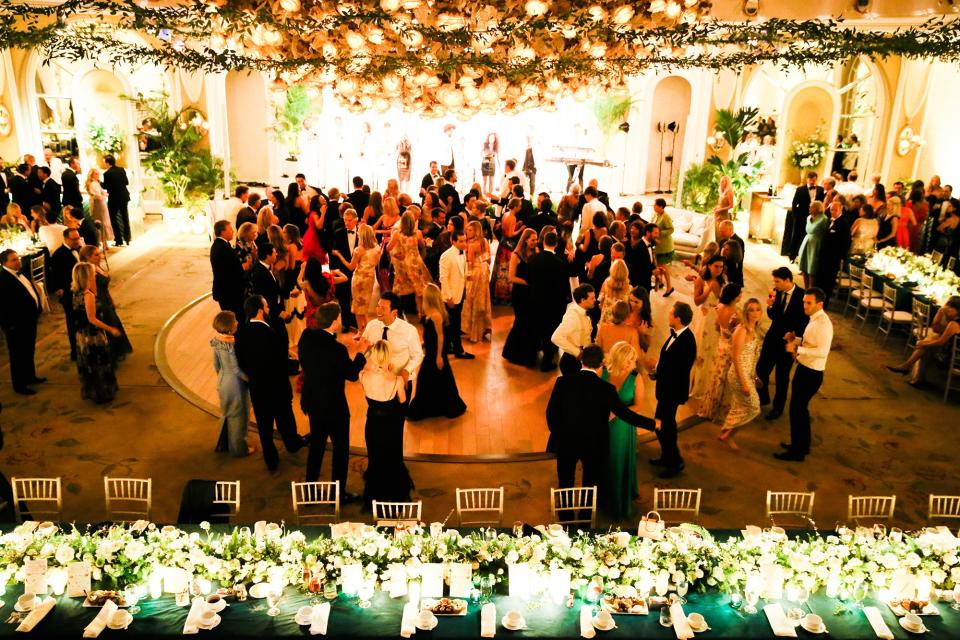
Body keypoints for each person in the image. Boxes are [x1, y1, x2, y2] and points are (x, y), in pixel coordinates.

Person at [546, 344, 656, 490]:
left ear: (581, 361)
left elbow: (551, 413)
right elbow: (625, 414)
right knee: (589, 485)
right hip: (593, 444)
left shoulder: (562, 382)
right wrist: (653, 424)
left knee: (565, 482)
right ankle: (586, 513)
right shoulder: (607, 389)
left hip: (566, 442)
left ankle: (565, 513)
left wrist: (560, 434)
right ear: (600, 364)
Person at [299, 302, 368, 494]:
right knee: (340, 450)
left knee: (317, 447)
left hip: (313, 401)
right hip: (334, 406)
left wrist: (346, 348)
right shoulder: (336, 350)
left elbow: (324, 359)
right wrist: (360, 352)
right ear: (335, 321)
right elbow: (352, 374)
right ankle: (338, 494)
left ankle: (309, 489)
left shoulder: (306, 337)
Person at [235, 295, 307, 471]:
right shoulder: (270, 332)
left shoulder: (241, 334)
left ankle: (271, 459)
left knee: (264, 425)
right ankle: (292, 443)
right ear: (260, 311)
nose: (268, 309)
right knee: (285, 419)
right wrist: (297, 365)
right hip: (277, 387)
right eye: (266, 306)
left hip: (258, 388)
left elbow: (241, 362)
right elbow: (279, 362)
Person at [774, 288, 834, 462]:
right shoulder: (815, 319)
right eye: (804, 302)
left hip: (811, 373)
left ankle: (797, 452)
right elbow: (812, 344)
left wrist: (797, 348)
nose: (805, 306)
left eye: (809, 303)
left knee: (797, 410)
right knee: (800, 410)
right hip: (805, 369)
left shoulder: (823, 324)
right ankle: (802, 445)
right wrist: (796, 339)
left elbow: (823, 352)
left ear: (819, 304)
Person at [361, 340, 414, 507]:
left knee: (375, 458)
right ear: (388, 357)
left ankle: (376, 494)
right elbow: (403, 405)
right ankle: (394, 494)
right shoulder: (397, 380)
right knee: (392, 457)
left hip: (373, 424)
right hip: (391, 425)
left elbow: (369, 394)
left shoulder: (362, 376)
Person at [649, 302, 697, 478]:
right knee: (664, 424)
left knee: (664, 425)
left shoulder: (687, 341)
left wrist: (660, 373)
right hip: (666, 389)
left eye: (670, 313)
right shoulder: (676, 334)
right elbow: (668, 361)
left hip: (672, 392)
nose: (668, 316)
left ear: (678, 318)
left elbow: (679, 371)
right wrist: (657, 371)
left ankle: (675, 462)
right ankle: (666, 457)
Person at [408, 284, 467, 420]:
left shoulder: (435, 315)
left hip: (435, 353)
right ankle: (435, 406)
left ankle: (424, 409)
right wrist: (424, 344)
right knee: (437, 379)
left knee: (425, 378)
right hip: (431, 351)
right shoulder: (430, 313)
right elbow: (431, 334)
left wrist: (439, 356)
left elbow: (441, 336)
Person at [756, 267, 807, 420]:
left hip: (787, 343)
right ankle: (763, 398)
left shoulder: (802, 296)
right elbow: (773, 316)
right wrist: (770, 305)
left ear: (787, 280)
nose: (775, 284)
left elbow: (805, 320)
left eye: (777, 281)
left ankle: (778, 408)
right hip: (772, 338)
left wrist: (795, 335)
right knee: (761, 369)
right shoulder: (776, 292)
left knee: (782, 377)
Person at [602, 341, 646, 520]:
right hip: (603, 424)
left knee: (619, 461)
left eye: (633, 361)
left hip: (623, 426)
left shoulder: (636, 377)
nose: (632, 365)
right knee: (603, 459)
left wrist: (618, 414)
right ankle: (603, 497)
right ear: (618, 359)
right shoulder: (603, 373)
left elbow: (638, 406)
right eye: (628, 361)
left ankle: (620, 502)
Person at [70, 262, 120, 403]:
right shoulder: (88, 295)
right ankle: (102, 393)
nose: (95, 275)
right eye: (92, 273)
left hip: (81, 334)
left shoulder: (76, 291)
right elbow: (92, 318)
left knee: (88, 364)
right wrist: (110, 329)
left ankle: (93, 392)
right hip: (92, 335)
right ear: (87, 276)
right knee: (99, 363)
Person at [718, 298, 764, 448]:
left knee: (739, 405)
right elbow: (736, 358)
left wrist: (755, 376)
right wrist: (744, 382)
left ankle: (726, 429)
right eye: (751, 309)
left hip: (748, 374)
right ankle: (729, 435)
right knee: (754, 407)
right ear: (746, 312)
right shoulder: (741, 330)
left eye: (758, 309)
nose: (755, 313)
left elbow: (752, 357)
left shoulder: (755, 330)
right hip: (738, 375)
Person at [361, 292, 425, 400]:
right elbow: (365, 351)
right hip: (377, 381)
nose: (378, 310)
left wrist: (406, 370)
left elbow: (418, 355)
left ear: (394, 312)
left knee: (399, 414)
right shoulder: (371, 326)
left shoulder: (409, 330)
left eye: (383, 308)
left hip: (400, 380)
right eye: (378, 306)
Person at [886, 296, 960, 385]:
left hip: (952, 357)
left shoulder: (954, 324)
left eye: (951, 308)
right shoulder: (951, 319)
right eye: (948, 307)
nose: (948, 309)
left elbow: (941, 341)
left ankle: (910, 371)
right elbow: (935, 328)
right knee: (926, 345)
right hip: (953, 351)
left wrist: (925, 344)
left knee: (925, 347)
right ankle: (909, 369)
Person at [0, 249, 45, 395]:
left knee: (28, 349)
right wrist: (10, 325)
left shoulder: (20, 271)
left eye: (18, 258)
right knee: (17, 354)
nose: (18, 261)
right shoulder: (3, 280)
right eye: (14, 260)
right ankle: (19, 385)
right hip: (16, 325)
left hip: (29, 320)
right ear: (4, 263)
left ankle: (30, 376)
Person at [79, 245, 133, 363]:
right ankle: (111, 355)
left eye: (100, 253)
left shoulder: (97, 266)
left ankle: (117, 352)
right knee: (109, 326)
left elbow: (104, 288)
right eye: (96, 255)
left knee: (114, 323)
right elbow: (92, 290)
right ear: (87, 257)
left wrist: (111, 299)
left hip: (106, 300)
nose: (101, 257)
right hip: (100, 303)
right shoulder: (91, 270)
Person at [696, 282, 742, 422]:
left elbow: (717, 326)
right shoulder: (736, 314)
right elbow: (737, 336)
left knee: (716, 377)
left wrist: (724, 333)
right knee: (725, 380)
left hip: (720, 345)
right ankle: (719, 410)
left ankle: (709, 406)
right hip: (729, 349)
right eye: (739, 294)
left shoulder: (719, 307)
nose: (741, 296)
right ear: (735, 297)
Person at [211, 311, 252, 457]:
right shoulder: (232, 345)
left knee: (226, 414)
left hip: (222, 381)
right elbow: (236, 369)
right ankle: (239, 449)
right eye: (234, 321)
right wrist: (250, 380)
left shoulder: (216, 341)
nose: (237, 323)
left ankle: (223, 443)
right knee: (239, 417)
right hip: (235, 385)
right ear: (229, 326)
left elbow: (216, 365)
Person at [527, 230, 569, 371]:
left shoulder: (533, 260)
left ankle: (531, 358)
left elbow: (529, 280)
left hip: (535, 301)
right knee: (550, 332)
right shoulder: (559, 263)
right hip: (553, 304)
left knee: (534, 330)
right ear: (556, 244)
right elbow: (563, 286)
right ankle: (546, 362)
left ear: (543, 242)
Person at [502, 228, 540, 367]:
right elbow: (511, 277)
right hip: (520, 293)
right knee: (521, 321)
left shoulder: (536, 253)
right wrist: (526, 282)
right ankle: (513, 353)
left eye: (536, 240)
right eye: (532, 240)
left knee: (529, 323)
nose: (535, 243)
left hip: (531, 292)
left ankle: (525, 353)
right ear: (525, 241)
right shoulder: (516, 255)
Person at [690, 255, 726, 400]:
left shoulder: (722, 280)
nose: (718, 269)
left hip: (717, 318)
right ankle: (697, 385)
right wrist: (708, 290)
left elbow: (724, 300)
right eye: (716, 266)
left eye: (721, 267)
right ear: (709, 266)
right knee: (701, 350)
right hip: (705, 318)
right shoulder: (701, 280)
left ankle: (708, 385)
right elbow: (697, 301)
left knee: (713, 350)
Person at [438, 229, 474, 359]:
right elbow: (443, 278)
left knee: (451, 325)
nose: (464, 243)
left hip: (460, 293)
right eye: (461, 241)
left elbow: (461, 271)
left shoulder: (462, 252)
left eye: (465, 240)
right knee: (453, 325)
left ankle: (447, 348)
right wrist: (448, 297)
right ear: (453, 241)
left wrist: (467, 276)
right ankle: (458, 350)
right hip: (451, 297)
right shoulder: (446, 256)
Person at [389, 211, 432, 318]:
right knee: (420, 290)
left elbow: (388, 248)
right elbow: (422, 245)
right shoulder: (417, 233)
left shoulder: (397, 234)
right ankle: (420, 313)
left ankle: (397, 311)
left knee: (399, 289)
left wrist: (396, 254)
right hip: (416, 262)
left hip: (404, 264)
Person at [50, 227, 82, 360]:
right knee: (72, 322)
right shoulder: (58, 255)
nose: (77, 241)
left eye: (78, 238)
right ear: (66, 239)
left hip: (82, 291)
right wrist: (59, 289)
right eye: (74, 239)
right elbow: (55, 276)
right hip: (69, 294)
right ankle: (75, 351)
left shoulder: (80, 249)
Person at [552, 284, 596, 376]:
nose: (595, 300)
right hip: (572, 362)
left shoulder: (584, 311)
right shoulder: (573, 317)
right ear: (583, 300)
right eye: (592, 298)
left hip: (582, 359)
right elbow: (556, 337)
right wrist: (578, 353)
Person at [211, 220, 249, 319]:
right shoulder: (222, 247)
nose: (233, 231)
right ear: (222, 232)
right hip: (229, 291)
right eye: (230, 229)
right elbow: (227, 270)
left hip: (228, 290)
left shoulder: (221, 245)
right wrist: (243, 266)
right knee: (235, 318)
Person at [817, 199, 852, 305]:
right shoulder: (830, 221)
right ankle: (818, 300)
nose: (833, 212)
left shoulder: (844, 223)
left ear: (840, 210)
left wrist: (839, 257)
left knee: (828, 281)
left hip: (832, 258)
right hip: (824, 256)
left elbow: (846, 243)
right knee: (821, 279)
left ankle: (825, 302)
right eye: (831, 210)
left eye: (835, 210)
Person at [346, 224, 380, 333]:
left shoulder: (359, 250)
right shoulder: (377, 248)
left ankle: (360, 332)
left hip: (359, 278)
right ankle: (367, 331)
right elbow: (376, 262)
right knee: (364, 306)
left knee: (357, 307)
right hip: (370, 277)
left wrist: (339, 256)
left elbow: (351, 266)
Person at [462, 219, 492, 342]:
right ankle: (483, 328)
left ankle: (472, 331)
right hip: (484, 272)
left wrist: (468, 275)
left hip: (474, 273)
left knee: (470, 300)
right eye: (467, 229)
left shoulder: (470, 245)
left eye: (470, 230)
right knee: (483, 300)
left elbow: (469, 262)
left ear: (476, 231)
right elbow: (488, 259)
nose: (467, 232)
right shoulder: (485, 241)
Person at [783, 171, 824, 261]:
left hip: (815, 218)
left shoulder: (821, 190)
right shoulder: (800, 189)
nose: (812, 182)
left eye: (814, 180)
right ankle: (792, 255)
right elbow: (794, 204)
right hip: (801, 217)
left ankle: (805, 257)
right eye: (810, 180)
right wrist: (795, 216)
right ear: (807, 179)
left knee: (809, 236)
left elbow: (822, 203)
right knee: (796, 236)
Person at [797, 201, 828, 289]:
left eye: (812, 207)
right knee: (804, 266)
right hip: (807, 241)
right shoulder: (808, 217)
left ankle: (811, 288)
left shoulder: (823, 219)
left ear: (818, 209)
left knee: (811, 267)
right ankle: (806, 288)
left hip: (816, 244)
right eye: (810, 207)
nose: (809, 209)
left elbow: (825, 233)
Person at [101, 155, 131, 245]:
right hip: (124, 196)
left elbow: (105, 186)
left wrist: (99, 182)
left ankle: (118, 240)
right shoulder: (121, 170)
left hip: (114, 198)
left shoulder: (107, 173)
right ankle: (127, 238)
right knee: (125, 217)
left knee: (113, 219)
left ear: (107, 163)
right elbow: (126, 182)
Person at [650, 199, 675, 296]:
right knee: (658, 265)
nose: (653, 206)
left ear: (661, 207)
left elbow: (671, 229)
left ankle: (669, 287)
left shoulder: (666, 217)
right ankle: (660, 282)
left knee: (663, 267)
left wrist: (659, 233)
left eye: (655, 205)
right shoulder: (656, 215)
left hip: (664, 246)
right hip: (657, 245)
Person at [598, 259, 631, 325]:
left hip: (605, 322)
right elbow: (630, 308)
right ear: (626, 272)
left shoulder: (605, 283)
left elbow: (600, 301)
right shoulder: (630, 288)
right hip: (621, 322)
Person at [85, 168, 114, 244]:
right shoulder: (93, 184)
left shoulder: (96, 182)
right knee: (102, 222)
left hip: (100, 203)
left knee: (103, 222)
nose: (98, 175)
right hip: (98, 204)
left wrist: (104, 194)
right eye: (96, 174)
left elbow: (100, 193)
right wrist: (102, 195)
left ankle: (104, 242)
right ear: (92, 175)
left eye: (98, 174)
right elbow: (97, 195)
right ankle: (102, 242)